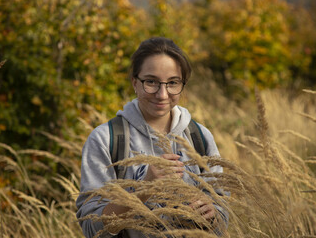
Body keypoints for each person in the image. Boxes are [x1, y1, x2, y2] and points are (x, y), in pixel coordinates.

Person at [76, 37, 227, 238]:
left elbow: (222, 215)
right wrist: (144, 189)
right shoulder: (106, 139)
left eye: (173, 83)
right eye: (151, 82)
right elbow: (93, 230)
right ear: (135, 83)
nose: (162, 94)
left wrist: (212, 215)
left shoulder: (199, 137)